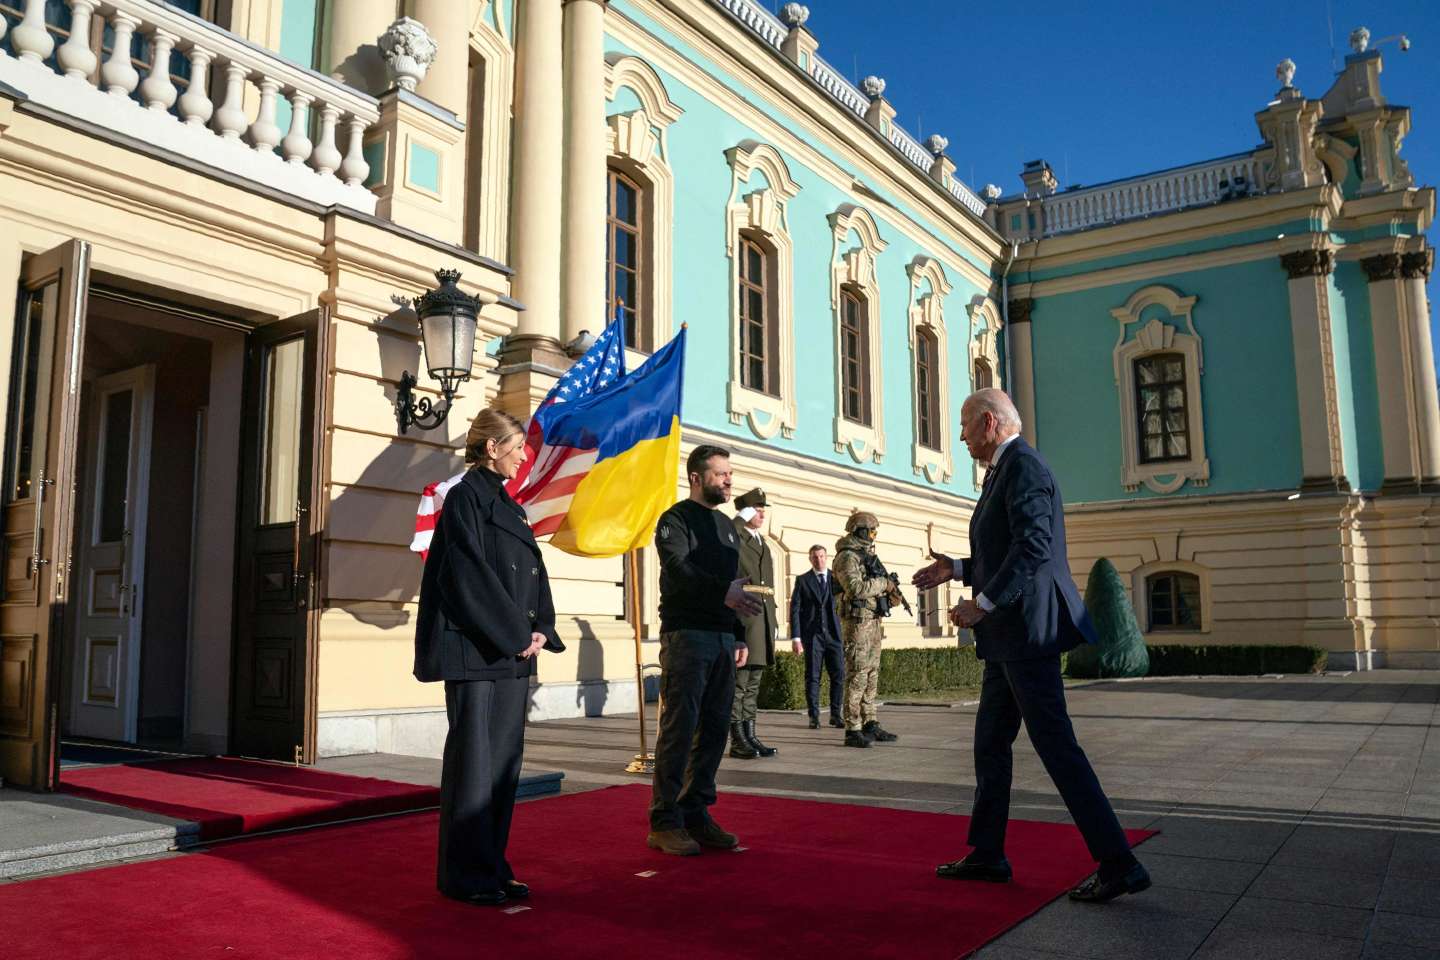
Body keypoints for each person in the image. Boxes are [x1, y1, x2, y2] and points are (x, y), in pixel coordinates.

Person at [913, 388, 1150, 903]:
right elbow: (1006, 552)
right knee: (990, 744)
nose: (960, 437)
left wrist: (985, 603)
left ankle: (1119, 861)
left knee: (1056, 747)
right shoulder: (1006, 469)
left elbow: (1034, 549)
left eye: (965, 426)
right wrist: (956, 569)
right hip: (1008, 637)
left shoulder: (1023, 467)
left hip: (1025, 631)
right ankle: (987, 854)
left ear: (990, 423)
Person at [414, 409, 564, 907]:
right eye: (517, 446)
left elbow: (534, 573)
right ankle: (465, 876)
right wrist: (515, 632)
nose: (524, 456)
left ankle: (493, 867)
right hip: (477, 654)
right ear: (492, 448)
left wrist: (542, 627)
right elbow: (466, 577)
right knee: (474, 769)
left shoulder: (509, 504)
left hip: (513, 654)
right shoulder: (463, 500)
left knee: (503, 768)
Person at [647, 444, 763, 855]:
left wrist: (737, 635)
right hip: (686, 636)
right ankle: (664, 822)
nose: (729, 480)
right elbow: (679, 571)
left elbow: (734, 585)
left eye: (730, 473)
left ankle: (696, 814)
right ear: (697, 477)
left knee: (715, 730)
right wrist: (724, 597)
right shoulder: (675, 520)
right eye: (721, 474)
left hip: (720, 640)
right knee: (680, 729)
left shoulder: (727, 527)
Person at [833, 512, 902, 748]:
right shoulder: (847, 557)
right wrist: (883, 584)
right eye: (871, 531)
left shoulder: (868, 556)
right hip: (857, 623)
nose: (874, 536)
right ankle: (852, 728)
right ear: (859, 531)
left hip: (872, 621)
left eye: (875, 532)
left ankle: (870, 722)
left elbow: (875, 585)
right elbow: (855, 588)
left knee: (872, 674)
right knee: (858, 674)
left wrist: (890, 594)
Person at [730, 487, 779, 759]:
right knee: (739, 684)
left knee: (753, 684)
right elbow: (726, 534)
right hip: (745, 618)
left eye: (762, 510)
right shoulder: (736, 536)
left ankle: (750, 735)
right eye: (756, 510)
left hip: (762, 620)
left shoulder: (763, 543)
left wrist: (774, 621)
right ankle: (737, 740)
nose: (761, 514)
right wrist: (740, 517)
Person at [789, 544, 844, 730]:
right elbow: (795, 609)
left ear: (826, 557)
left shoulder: (836, 579)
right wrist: (796, 638)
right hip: (812, 636)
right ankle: (814, 716)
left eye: (821, 556)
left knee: (838, 675)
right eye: (815, 557)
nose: (818, 560)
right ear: (810, 559)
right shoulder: (803, 580)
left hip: (834, 635)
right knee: (812, 677)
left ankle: (836, 715)